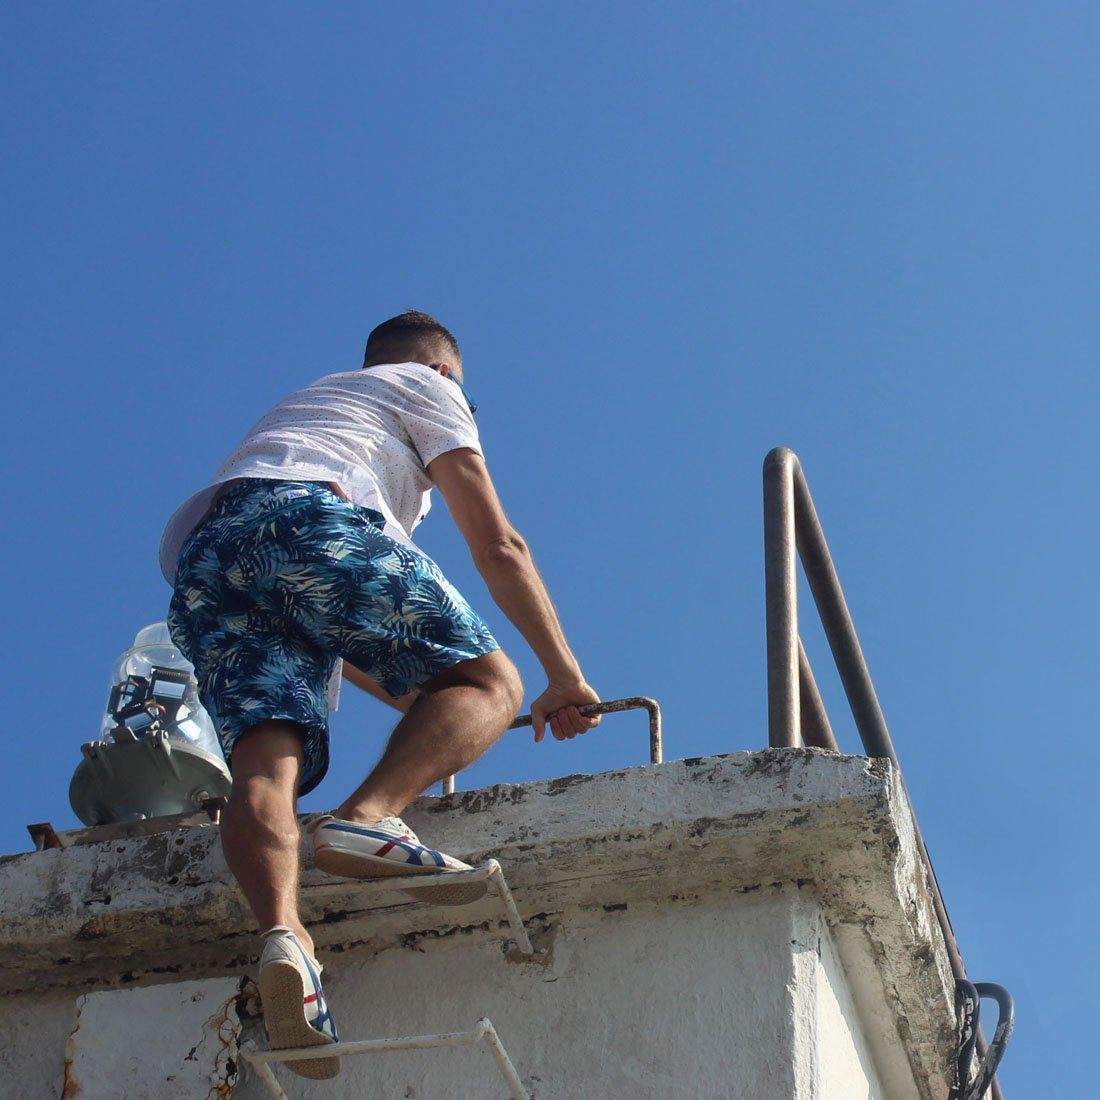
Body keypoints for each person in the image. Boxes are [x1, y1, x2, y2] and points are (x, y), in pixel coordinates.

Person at [160, 311, 600, 1078]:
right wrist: (562, 677)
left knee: (265, 765)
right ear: (446, 374)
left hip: (204, 560)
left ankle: (286, 938)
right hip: (308, 516)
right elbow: (499, 544)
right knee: (493, 682)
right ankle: (367, 820)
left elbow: (338, 631)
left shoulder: (315, 408)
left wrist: (428, 708)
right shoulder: (424, 389)